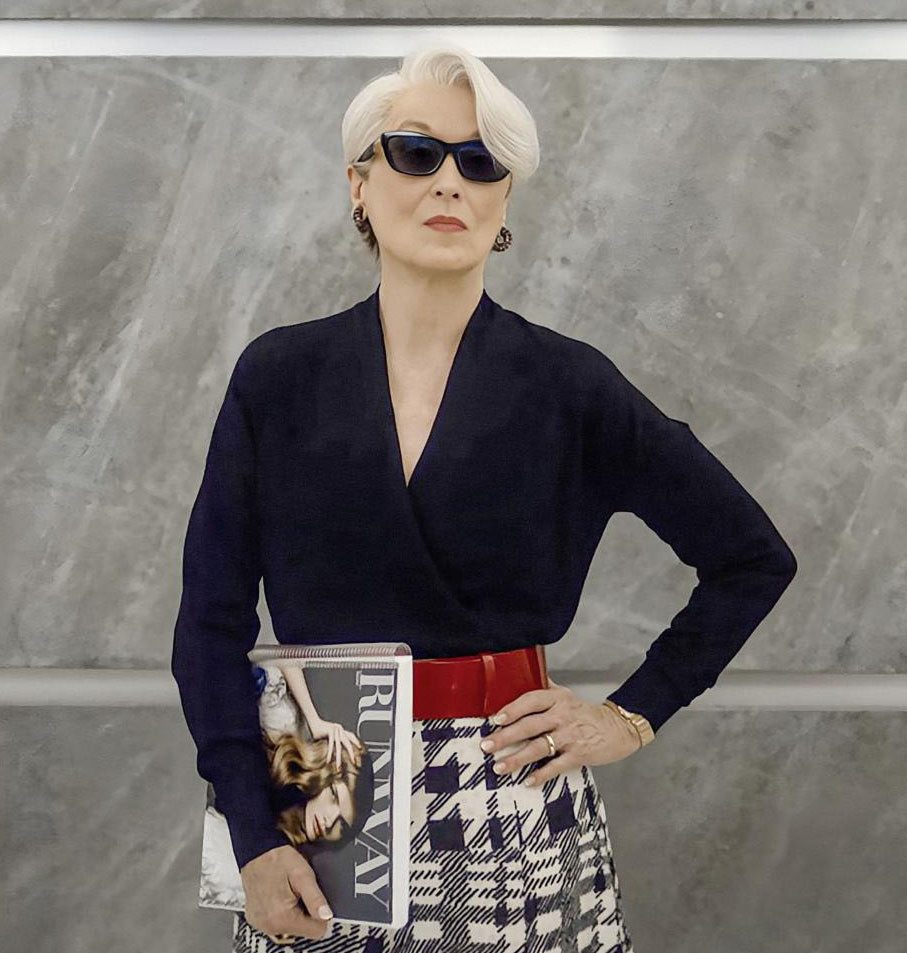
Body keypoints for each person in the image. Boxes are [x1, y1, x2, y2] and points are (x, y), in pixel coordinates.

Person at [171, 41, 797, 953]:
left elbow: (751, 558)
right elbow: (208, 623)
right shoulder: (278, 377)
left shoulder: (570, 386)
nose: (448, 182)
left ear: (506, 200)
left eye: (480, 162)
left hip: (510, 794)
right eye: (416, 152)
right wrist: (249, 829)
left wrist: (631, 715)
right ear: (358, 183)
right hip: (316, 799)